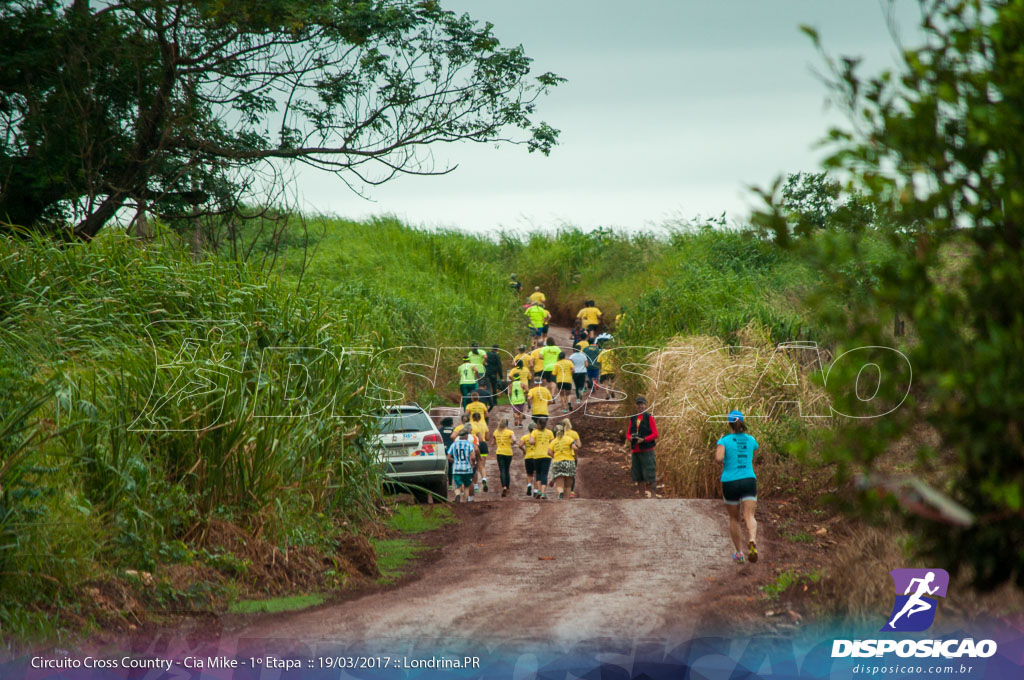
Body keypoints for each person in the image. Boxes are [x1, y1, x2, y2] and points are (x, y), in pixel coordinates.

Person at [715, 409, 759, 564]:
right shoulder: (750, 439)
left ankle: (739, 553)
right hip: (748, 480)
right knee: (749, 516)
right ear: (742, 422)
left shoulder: (725, 440)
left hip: (730, 482)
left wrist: (720, 444)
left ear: (729, 424)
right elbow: (755, 448)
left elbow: (719, 459)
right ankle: (752, 539)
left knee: (734, 518)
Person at [626, 395, 658, 498]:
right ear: (636, 406)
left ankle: (653, 496)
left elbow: (655, 434)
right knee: (638, 474)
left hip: (647, 450)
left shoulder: (649, 418)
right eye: (639, 404)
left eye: (642, 404)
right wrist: (631, 438)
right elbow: (628, 433)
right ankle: (641, 497)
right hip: (636, 450)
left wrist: (644, 440)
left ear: (645, 405)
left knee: (650, 472)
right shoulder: (633, 418)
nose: (640, 406)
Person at [549, 422, 580, 500]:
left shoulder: (553, 442)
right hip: (569, 462)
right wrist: (575, 456)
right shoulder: (569, 439)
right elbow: (575, 448)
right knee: (568, 486)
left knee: (559, 485)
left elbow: (549, 452)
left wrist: (555, 457)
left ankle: (560, 493)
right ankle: (565, 502)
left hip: (558, 462)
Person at [446, 426, 477, 502]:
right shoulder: (470, 444)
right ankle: (465, 502)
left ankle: (457, 495)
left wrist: (453, 461)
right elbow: (472, 457)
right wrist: (474, 463)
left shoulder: (454, 444)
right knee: (466, 486)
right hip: (467, 468)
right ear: (466, 436)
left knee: (457, 485)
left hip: (456, 468)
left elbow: (448, 457)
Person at [528, 420, 555, 499]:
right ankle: (543, 493)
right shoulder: (549, 432)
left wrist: (536, 441)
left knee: (538, 473)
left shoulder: (534, 432)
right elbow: (553, 443)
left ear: (538, 424)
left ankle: (539, 491)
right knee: (544, 474)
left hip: (537, 455)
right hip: (546, 456)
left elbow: (531, 441)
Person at [491, 417, 516, 497]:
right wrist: (512, 443)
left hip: (499, 452)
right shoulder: (510, 432)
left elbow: (492, 443)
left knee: (502, 470)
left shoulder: (495, 432)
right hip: (508, 452)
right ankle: (507, 487)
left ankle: (504, 487)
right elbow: (514, 440)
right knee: (507, 470)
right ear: (507, 424)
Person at [470, 410, 490, 492]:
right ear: (480, 417)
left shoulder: (471, 425)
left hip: (475, 445)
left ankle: (475, 487)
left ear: (472, 417)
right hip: (483, 445)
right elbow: (488, 437)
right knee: (482, 466)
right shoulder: (484, 424)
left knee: (475, 467)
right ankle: (484, 479)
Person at [562, 417, 581, 498]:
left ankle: (563, 491)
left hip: (561, 456)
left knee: (562, 474)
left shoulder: (561, 433)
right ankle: (571, 491)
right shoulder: (574, 433)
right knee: (571, 474)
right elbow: (579, 445)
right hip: (572, 457)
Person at [520, 423, 538, 497]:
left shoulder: (524, 437)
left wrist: (524, 450)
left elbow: (520, 445)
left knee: (529, 474)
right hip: (536, 457)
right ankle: (535, 491)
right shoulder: (537, 437)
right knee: (536, 474)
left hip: (528, 457)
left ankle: (529, 485)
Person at [439, 416, 456, 489]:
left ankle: (442, 482)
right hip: (451, 449)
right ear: (451, 423)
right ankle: (450, 485)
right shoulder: (454, 430)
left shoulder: (440, 430)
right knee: (451, 467)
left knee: (443, 467)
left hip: (442, 449)